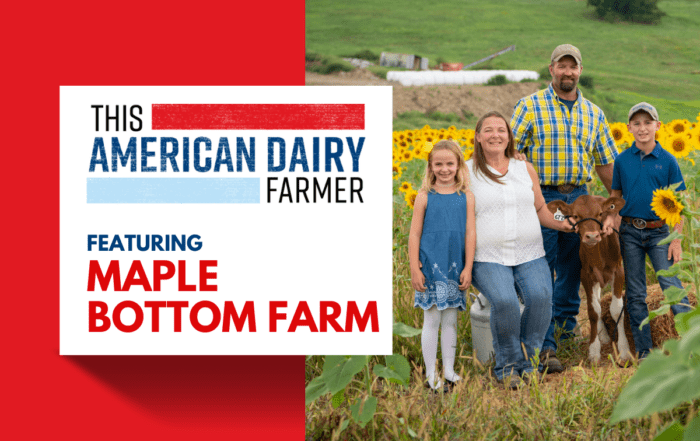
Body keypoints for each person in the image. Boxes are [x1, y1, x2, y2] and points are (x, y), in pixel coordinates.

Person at [510, 44, 618, 373]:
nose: (567, 72)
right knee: (542, 266)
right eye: (562, 66)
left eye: (573, 67)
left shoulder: (594, 114)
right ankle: (541, 343)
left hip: (581, 202)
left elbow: (606, 164)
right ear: (551, 69)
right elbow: (508, 150)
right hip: (543, 197)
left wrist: (615, 205)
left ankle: (563, 330)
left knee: (574, 268)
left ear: (580, 71)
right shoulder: (530, 106)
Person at [467, 111, 573, 389]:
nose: (495, 135)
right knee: (505, 303)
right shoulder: (466, 172)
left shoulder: (524, 169)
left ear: (509, 136)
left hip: (529, 251)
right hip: (487, 256)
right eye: (488, 130)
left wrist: (566, 223)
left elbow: (541, 208)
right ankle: (508, 367)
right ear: (478, 137)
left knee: (540, 298)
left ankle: (528, 360)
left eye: (501, 130)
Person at [610, 102, 692, 360]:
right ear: (629, 128)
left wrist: (676, 240)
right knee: (635, 293)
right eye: (637, 123)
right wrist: (611, 218)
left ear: (658, 126)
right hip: (630, 232)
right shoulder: (622, 160)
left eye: (648, 123)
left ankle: (692, 344)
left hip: (660, 234)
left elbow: (679, 206)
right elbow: (615, 195)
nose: (642, 128)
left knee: (671, 286)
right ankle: (645, 351)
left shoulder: (668, 161)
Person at [409, 139, 476, 392]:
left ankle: (448, 370)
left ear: (459, 165)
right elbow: (414, 234)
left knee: (450, 320)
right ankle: (430, 374)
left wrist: (468, 267)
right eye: (439, 164)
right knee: (432, 319)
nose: (445, 169)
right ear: (431, 166)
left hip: (455, 265)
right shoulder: (425, 196)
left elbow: (470, 233)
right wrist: (415, 268)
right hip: (430, 266)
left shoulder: (466, 197)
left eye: (450, 163)